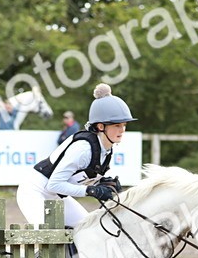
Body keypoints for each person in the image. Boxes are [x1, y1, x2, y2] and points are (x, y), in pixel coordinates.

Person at [17, 83, 135, 228]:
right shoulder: (83, 149)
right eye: (117, 125)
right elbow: (54, 184)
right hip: (35, 192)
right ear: (100, 126)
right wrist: (91, 191)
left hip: (57, 197)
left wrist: (100, 183)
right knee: (46, 237)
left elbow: (77, 178)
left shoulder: (106, 150)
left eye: (124, 125)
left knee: (88, 229)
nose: (122, 130)